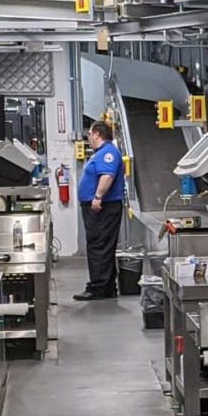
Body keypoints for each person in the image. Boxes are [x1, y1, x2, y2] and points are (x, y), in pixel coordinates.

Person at [74, 117, 127, 300]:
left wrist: (97, 197)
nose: (88, 137)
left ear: (97, 134)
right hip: (99, 207)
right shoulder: (101, 152)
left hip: (102, 207)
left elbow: (107, 176)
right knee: (103, 246)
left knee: (98, 246)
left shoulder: (108, 153)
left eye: (89, 134)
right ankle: (107, 287)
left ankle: (97, 288)